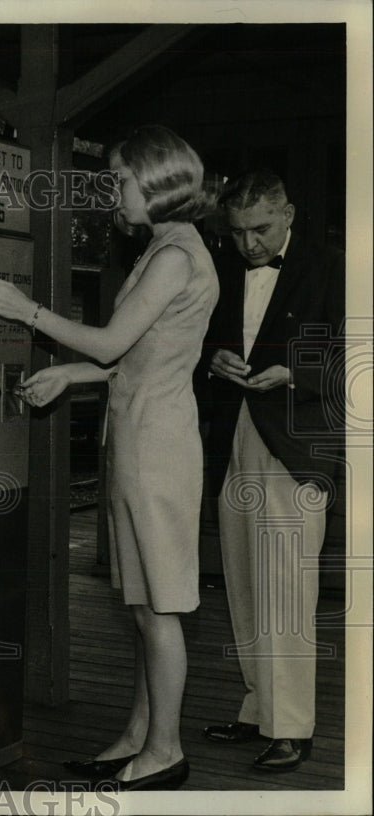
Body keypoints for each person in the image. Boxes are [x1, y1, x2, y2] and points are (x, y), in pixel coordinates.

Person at [0, 125, 218, 791]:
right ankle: (141, 736)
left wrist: (28, 310)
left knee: (161, 608)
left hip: (157, 446)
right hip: (141, 435)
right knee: (144, 606)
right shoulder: (166, 249)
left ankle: (165, 749)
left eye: (120, 179)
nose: (114, 191)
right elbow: (139, 358)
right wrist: (68, 376)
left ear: (158, 181)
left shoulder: (175, 255)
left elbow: (113, 343)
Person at [199, 170, 344, 773]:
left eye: (260, 229)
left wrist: (294, 375)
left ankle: (292, 727)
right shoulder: (226, 266)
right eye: (237, 233)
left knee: (285, 588)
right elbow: (204, 339)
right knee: (243, 578)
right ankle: (258, 707)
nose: (249, 245)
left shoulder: (334, 265)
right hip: (234, 432)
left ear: (288, 213)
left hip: (293, 443)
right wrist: (215, 358)